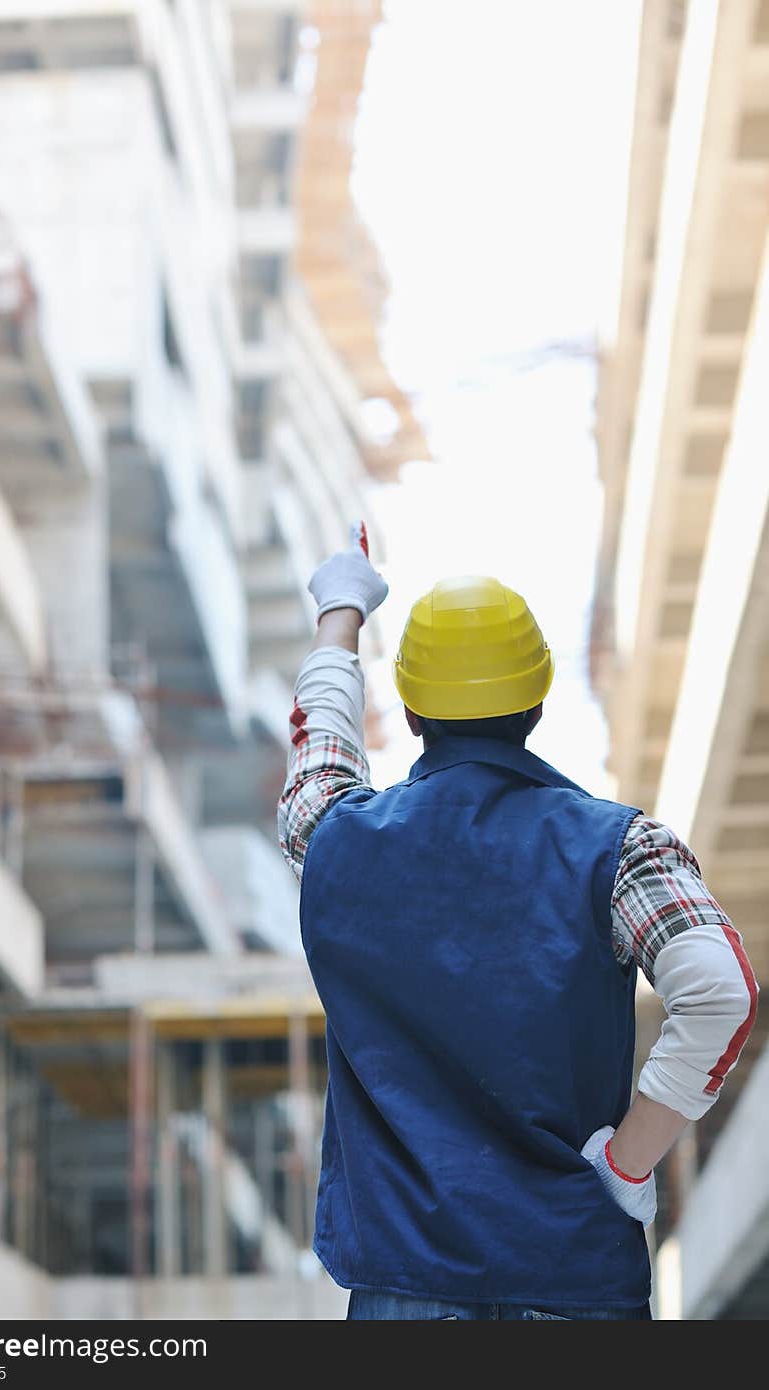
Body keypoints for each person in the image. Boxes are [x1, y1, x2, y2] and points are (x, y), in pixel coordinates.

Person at [277, 525, 758, 1321]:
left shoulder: (338, 842)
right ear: (538, 700)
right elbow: (720, 994)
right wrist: (629, 1166)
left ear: (411, 708)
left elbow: (317, 755)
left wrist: (342, 607)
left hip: (404, 1294)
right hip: (574, 1282)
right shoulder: (622, 849)